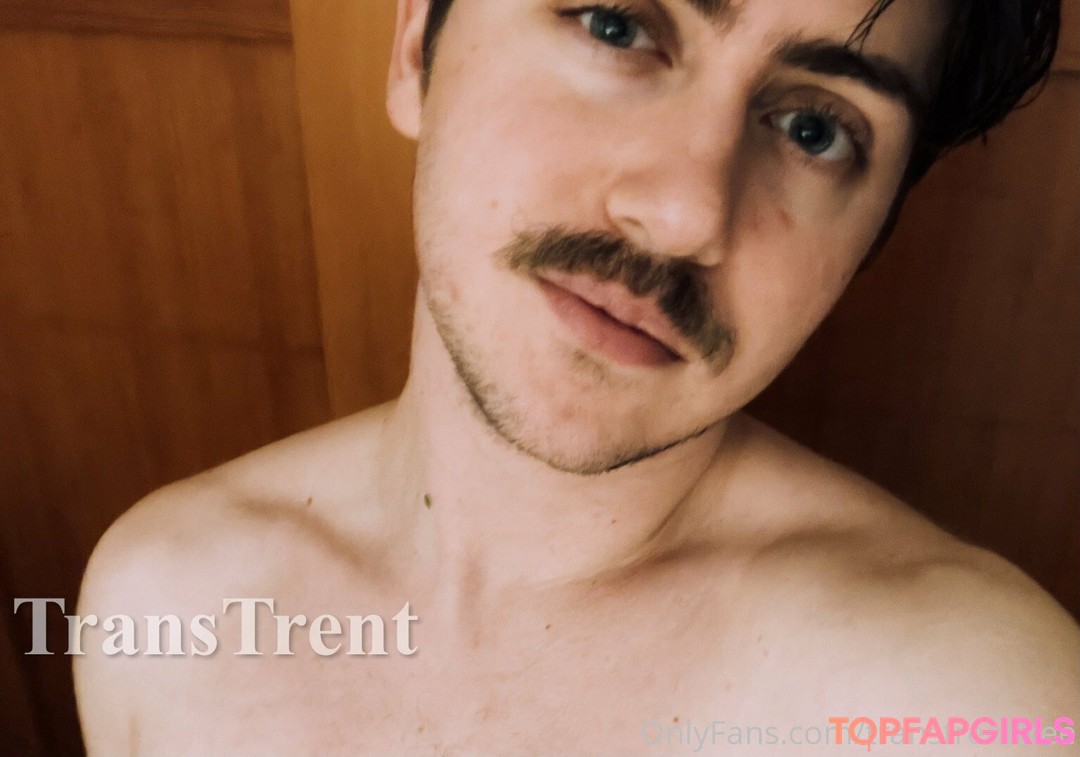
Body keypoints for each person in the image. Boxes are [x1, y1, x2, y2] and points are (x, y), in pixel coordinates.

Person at [75, 0, 1079, 754]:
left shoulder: (977, 709)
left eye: (815, 129)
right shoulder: (160, 603)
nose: (684, 214)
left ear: (869, 241)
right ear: (418, 43)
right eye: (616, 25)